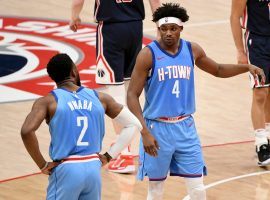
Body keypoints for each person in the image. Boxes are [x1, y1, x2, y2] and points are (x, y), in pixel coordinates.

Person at [127, 3, 266, 200]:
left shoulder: (192, 49)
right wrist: (144, 132)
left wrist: (246, 67)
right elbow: (131, 95)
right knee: (156, 190)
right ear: (158, 29)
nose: (168, 33)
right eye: (163, 28)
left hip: (186, 127)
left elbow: (217, 69)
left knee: (198, 189)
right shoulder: (147, 55)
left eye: (173, 28)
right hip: (157, 129)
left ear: (181, 28)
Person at [20, 53, 142, 200]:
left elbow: (27, 131)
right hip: (93, 168)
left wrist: (42, 164)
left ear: (53, 78)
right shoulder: (100, 98)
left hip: (67, 168)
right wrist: (109, 156)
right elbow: (134, 124)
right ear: (74, 71)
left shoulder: (47, 101)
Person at [69, 0, 161, 173]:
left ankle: (124, 153)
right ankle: (127, 143)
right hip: (135, 27)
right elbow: (155, 1)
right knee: (128, 90)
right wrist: (160, 25)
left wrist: (74, 16)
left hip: (111, 29)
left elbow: (78, 1)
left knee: (115, 93)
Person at [230, 0, 270, 166]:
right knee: (260, 92)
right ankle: (261, 143)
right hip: (257, 43)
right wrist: (240, 50)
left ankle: (268, 135)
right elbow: (234, 17)